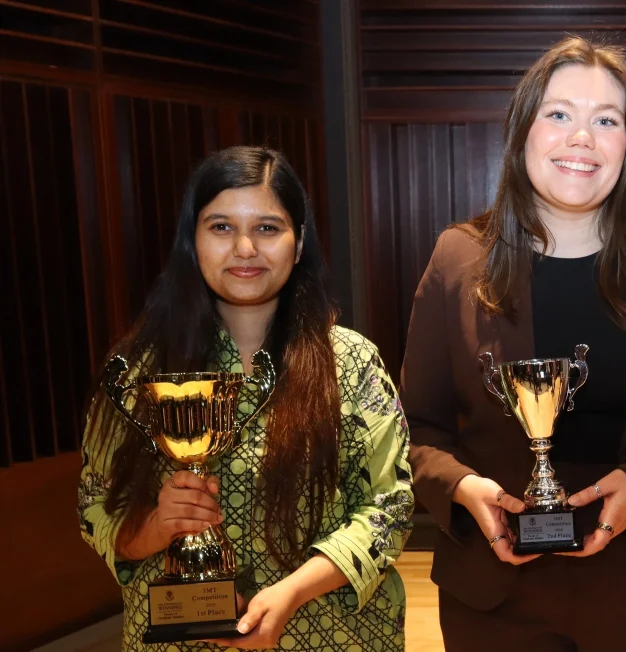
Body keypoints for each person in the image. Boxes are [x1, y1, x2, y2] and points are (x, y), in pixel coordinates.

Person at [401, 36, 626, 651]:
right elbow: (416, 429)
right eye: (559, 114)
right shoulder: (458, 259)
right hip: (496, 591)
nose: (582, 137)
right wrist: (465, 489)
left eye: (606, 120)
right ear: (523, 134)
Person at [78, 146, 414, 651]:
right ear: (192, 240)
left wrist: (291, 593)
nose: (245, 249)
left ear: (298, 244)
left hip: (330, 635)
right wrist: (153, 528)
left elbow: (389, 507)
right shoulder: (139, 369)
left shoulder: (352, 361)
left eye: (266, 228)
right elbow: (94, 504)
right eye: (220, 227)